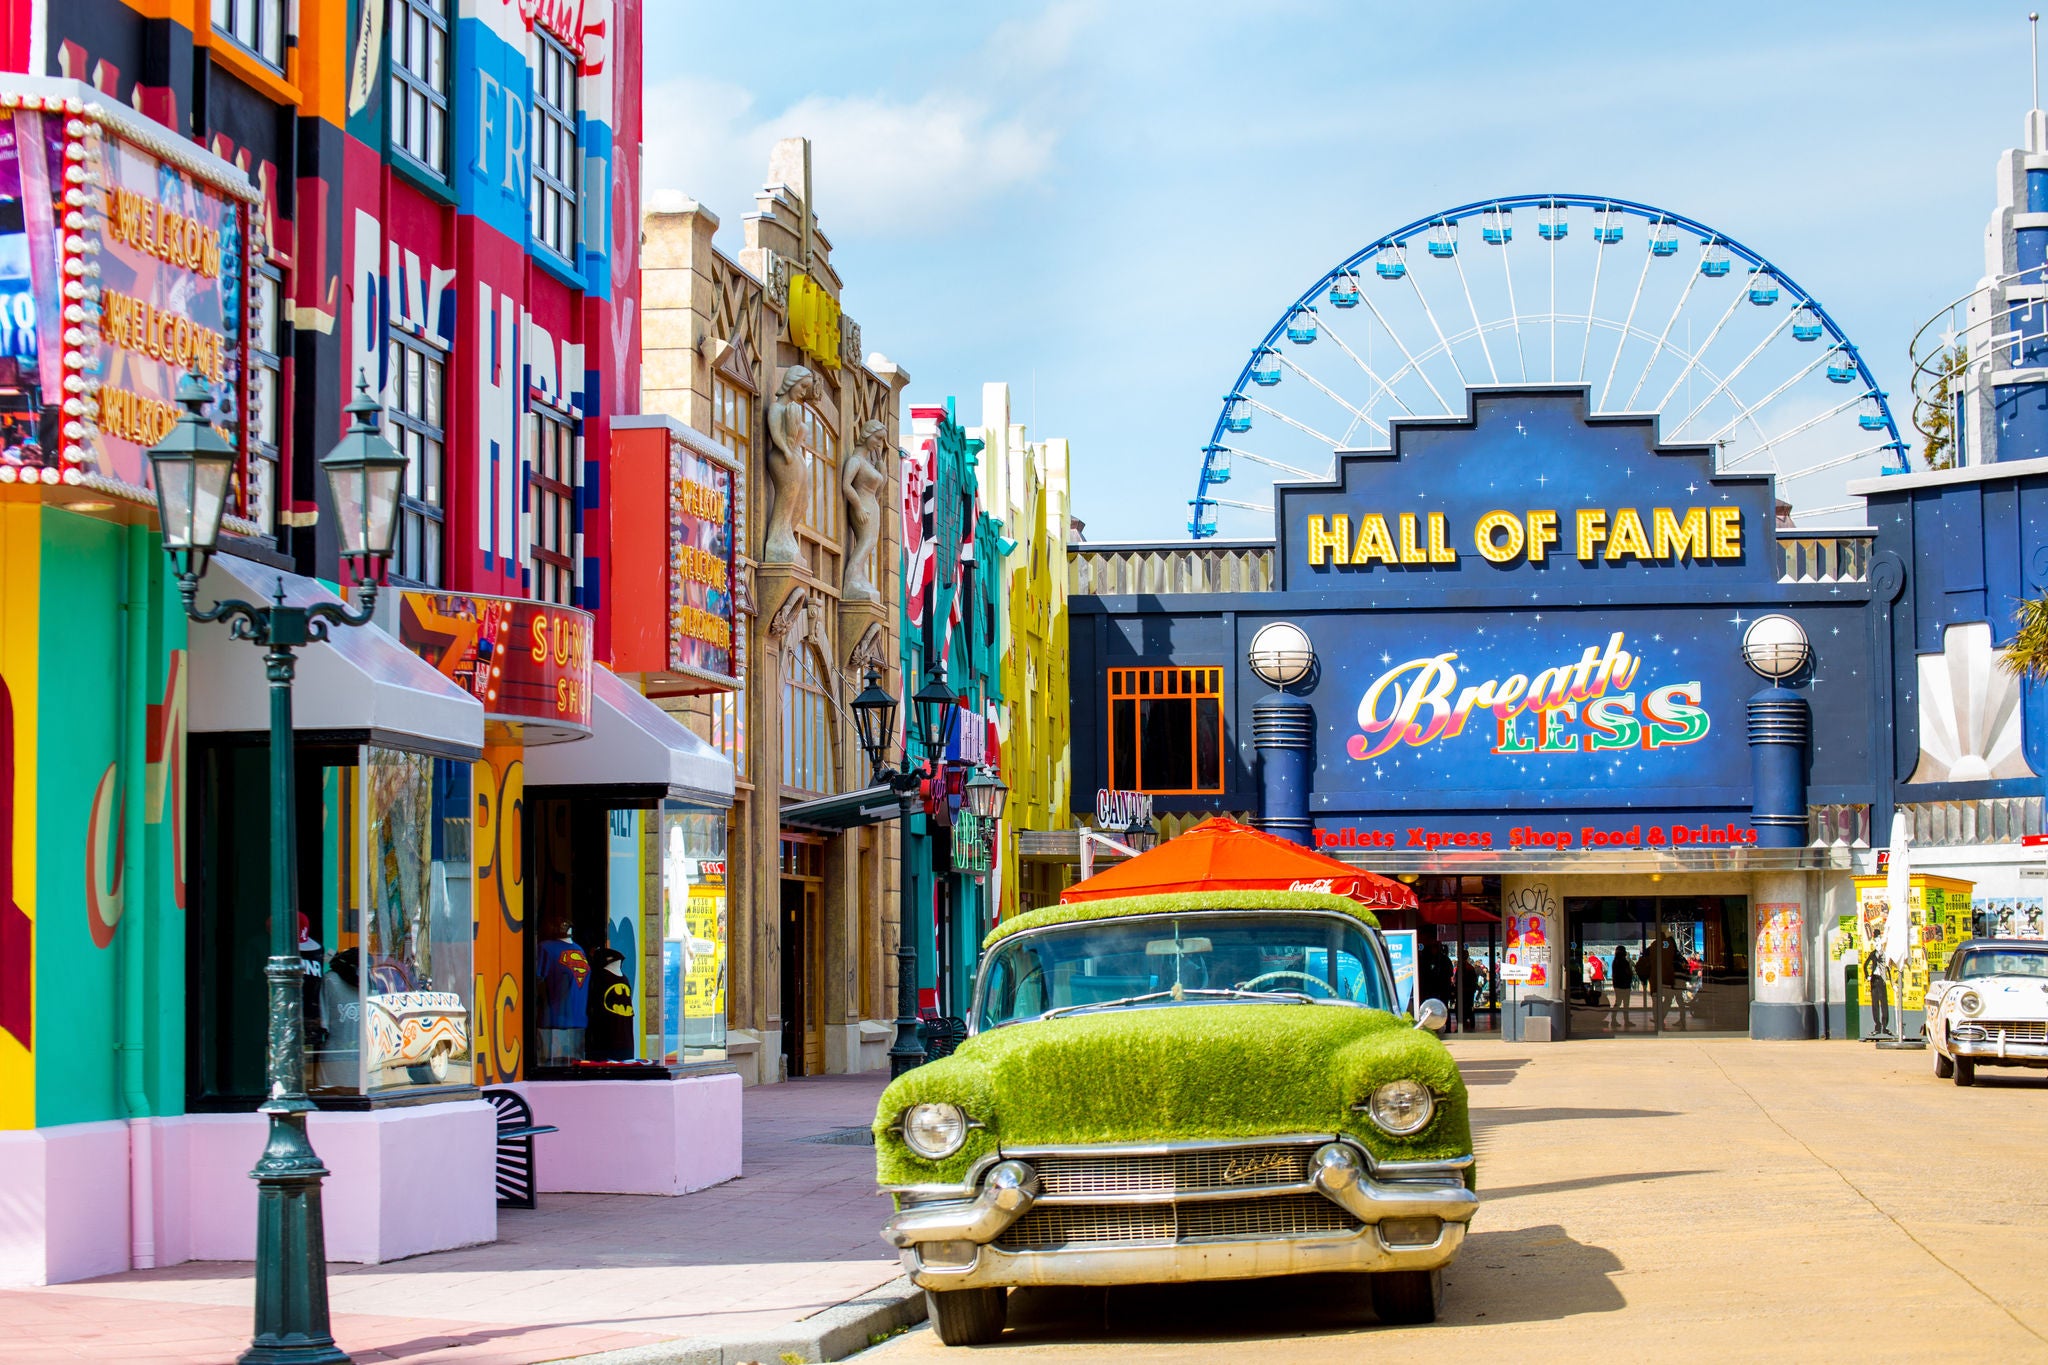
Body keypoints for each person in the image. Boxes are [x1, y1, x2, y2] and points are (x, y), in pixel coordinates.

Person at [1644, 929, 1683, 1030]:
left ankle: (1659, 1018)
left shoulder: (1655, 946)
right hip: (1668, 977)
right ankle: (1661, 1018)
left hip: (1660, 978)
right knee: (1672, 999)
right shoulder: (1669, 947)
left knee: (1658, 999)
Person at [1608, 943, 1636, 1029]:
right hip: (1625, 985)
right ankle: (1626, 1020)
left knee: (1618, 1002)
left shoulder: (1615, 961)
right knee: (1625, 1004)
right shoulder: (1624, 962)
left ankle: (1613, 1019)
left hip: (1617, 984)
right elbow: (1628, 973)